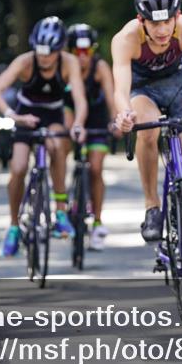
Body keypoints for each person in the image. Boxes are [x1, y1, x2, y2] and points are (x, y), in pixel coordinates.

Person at [111, 0, 182, 242]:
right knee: (148, 129)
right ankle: (152, 206)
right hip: (143, 90)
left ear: (178, 15)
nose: (163, 29)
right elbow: (120, 90)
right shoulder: (125, 39)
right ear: (141, 20)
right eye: (154, 23)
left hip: (180, 88)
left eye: (168, 21)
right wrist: (124, 114)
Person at [0, 17, 88, 257]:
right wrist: (13, 116)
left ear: (59, 49)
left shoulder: (69, 62)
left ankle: (60, 211)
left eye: (49, 53)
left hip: (52, 114)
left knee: (57, 146)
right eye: (40, 52)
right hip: (25, 115)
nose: (44, 58)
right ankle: (13, 226)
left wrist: (79, 124)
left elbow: (80, 99)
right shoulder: (24, 62)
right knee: (19, 167)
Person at [63, 23, 120, 251]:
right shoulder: (65, 67)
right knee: (60, 146)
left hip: (96, 120)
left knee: (95, 168)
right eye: (78, 51)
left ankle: (97, 221)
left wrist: (115, 121)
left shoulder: (100, 67)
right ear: (70, 51)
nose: (84, 56)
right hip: (71, 114)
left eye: (88, 51)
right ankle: (69, 195)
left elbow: (111, 98)